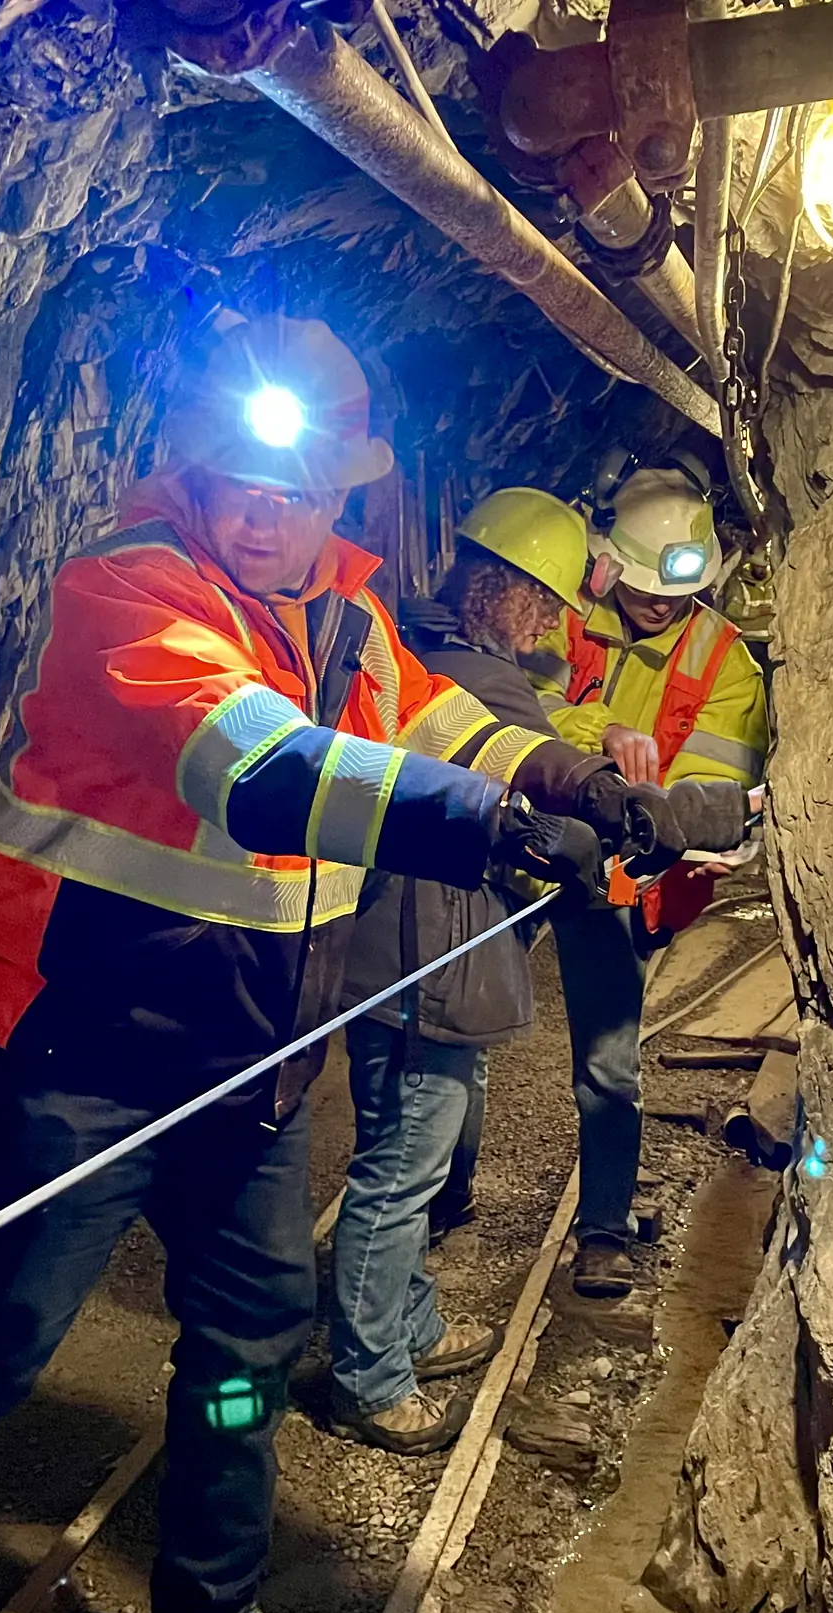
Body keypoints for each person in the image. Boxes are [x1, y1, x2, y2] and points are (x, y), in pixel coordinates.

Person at [0, 315, 689, 1613]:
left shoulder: (353, 621)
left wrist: (571, 782)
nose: (269, 513)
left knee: (248, 1353)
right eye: (247, 481)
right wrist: (490, 829)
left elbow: (438, 726)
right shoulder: (131, 593)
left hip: (249, 1076)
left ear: (341, 495)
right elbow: (260, 769)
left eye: (300, 489)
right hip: (78, 1064)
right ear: (200, 465)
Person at [327, 487, 603, 1454]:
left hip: (416, 943)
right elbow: (539, 812)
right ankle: (369, 1376)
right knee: (401, 1168)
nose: (553, 628)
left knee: (418, 1150)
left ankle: (409, 1326)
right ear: (513, 592)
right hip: (424, 953)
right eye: (547, 605)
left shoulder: (423, 652)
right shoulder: (479, 683)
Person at [536, 466, 769, 1298]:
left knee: (608, 1061)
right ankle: (445, 1201)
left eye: (675, 590)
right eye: (641, 588)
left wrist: (671, 826)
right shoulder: (558, 617)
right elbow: (507, 712)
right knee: (460, 1038)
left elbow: (706, 792)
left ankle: (602, 1228)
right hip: (516, 848)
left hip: (619, 878)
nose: (660, 605)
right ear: (611, 564)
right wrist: (602, 734)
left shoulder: (726, 662)